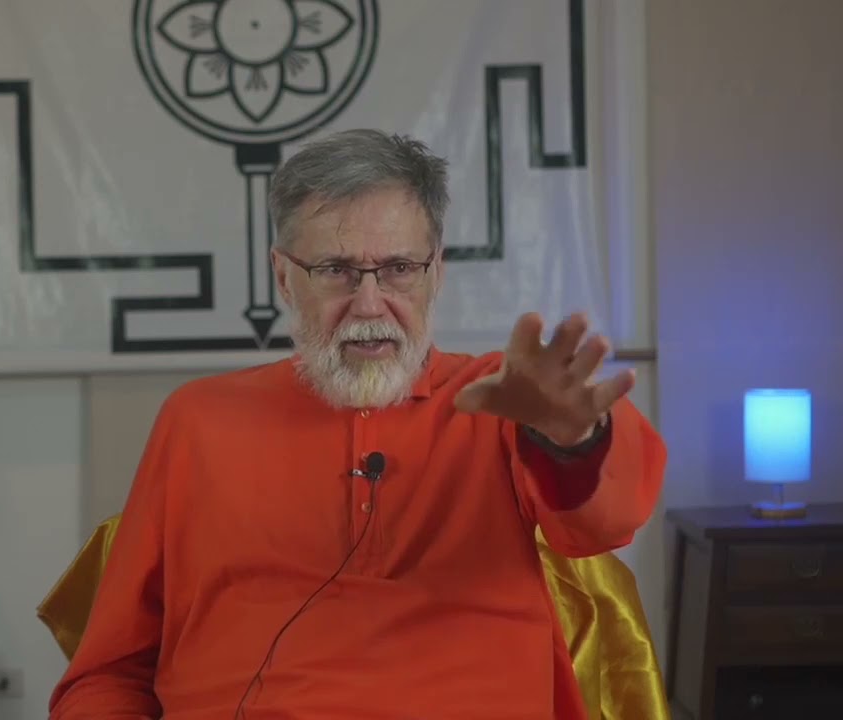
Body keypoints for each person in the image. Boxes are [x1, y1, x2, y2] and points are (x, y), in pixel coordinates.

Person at [48, 129, 667, 719]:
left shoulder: (501, 402)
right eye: (335, 270)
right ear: (284, 277)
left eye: (398, 268)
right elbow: (108, 674)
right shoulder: (198, 420)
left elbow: (606, 521)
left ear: (436, 272)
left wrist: (571, 440)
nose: (369, 304)